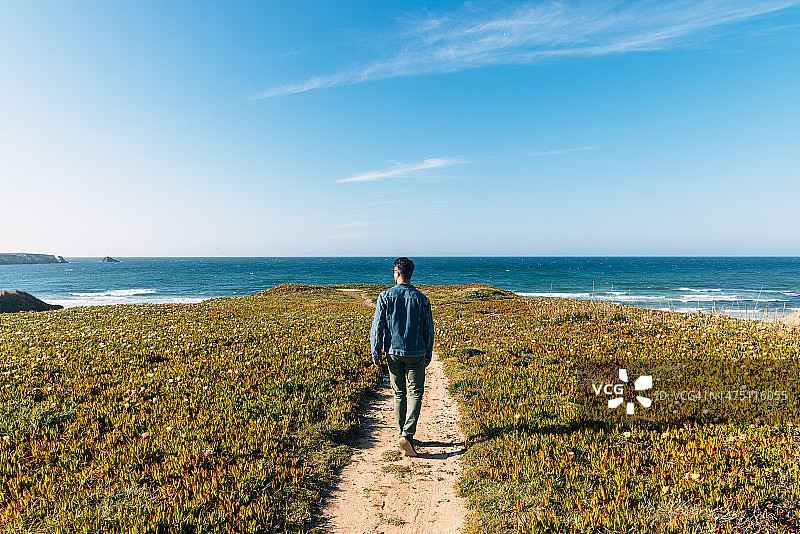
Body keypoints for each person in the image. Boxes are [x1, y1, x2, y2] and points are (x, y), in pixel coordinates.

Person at [370, 257, 434, 457]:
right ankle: (407, 435)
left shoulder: (384, 296)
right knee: (415, 393)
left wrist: (376, 351)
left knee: (399, 394)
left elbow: (377, 327)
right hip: (416, 353)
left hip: (393, 352)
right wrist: (428, 352)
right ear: (410, 274)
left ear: (397, 273)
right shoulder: (422, 299)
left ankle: (402, 433)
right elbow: (428, 330)